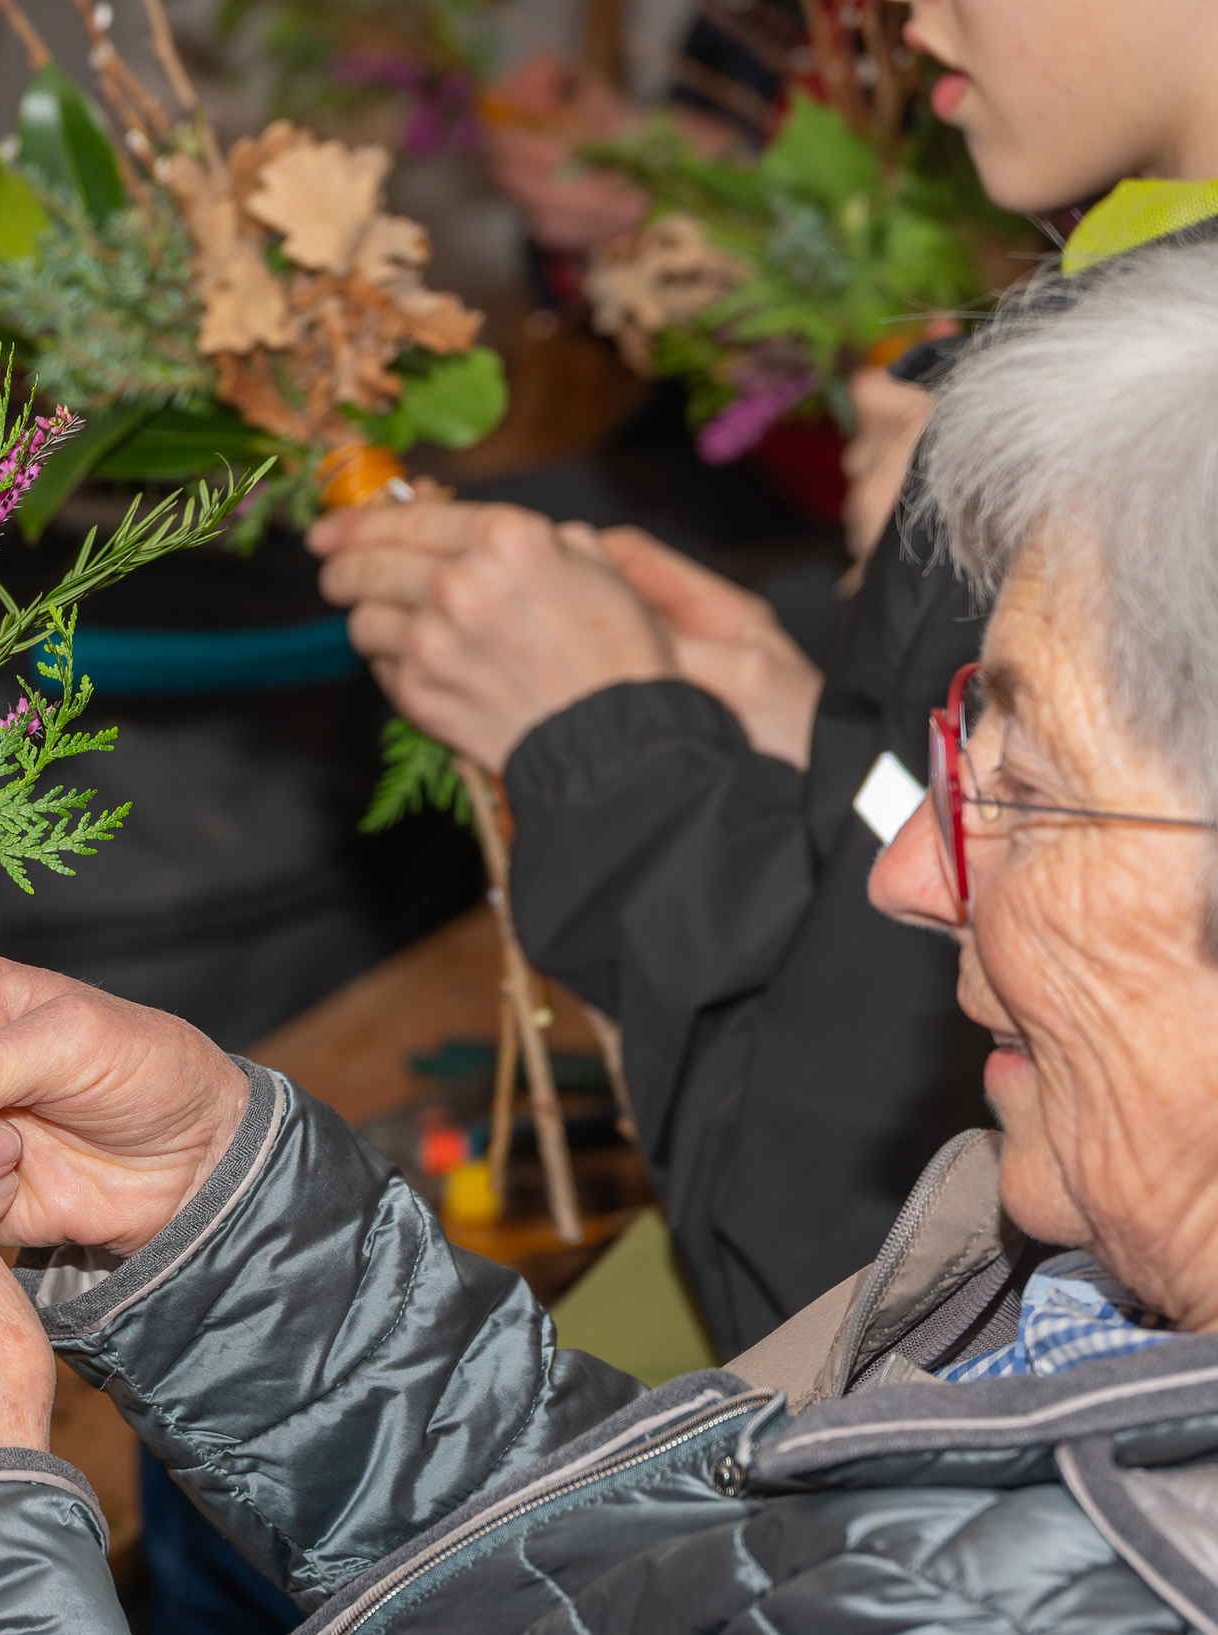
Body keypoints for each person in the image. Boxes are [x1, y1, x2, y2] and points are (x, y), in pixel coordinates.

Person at [0, 242, 1218, 1631]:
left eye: (1024, 792)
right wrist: (224, 1241)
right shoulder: (1079, 1320)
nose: (909, 873)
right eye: (963, 760)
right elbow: (620, 1593)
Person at [306, 0, 1218, 1354]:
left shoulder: (1134, 441)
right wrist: (817, 747)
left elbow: (822, 1259)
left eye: (1015, 783)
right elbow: (905, 877)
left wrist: (598, 744)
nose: (903, 22)